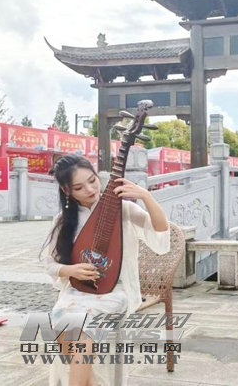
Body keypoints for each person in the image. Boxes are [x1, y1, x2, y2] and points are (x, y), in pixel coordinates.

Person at [41, 155, 170, 385]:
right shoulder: (64, 221)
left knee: (82, 337)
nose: (90, 190)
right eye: (79, 187)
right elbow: (49, 263)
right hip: (77, 292)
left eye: (92, 180)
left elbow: (159, 229)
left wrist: (146, 196)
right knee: (62, 331)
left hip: (115, 290)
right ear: (66, 190)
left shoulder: (122, 210)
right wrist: (71, 270)